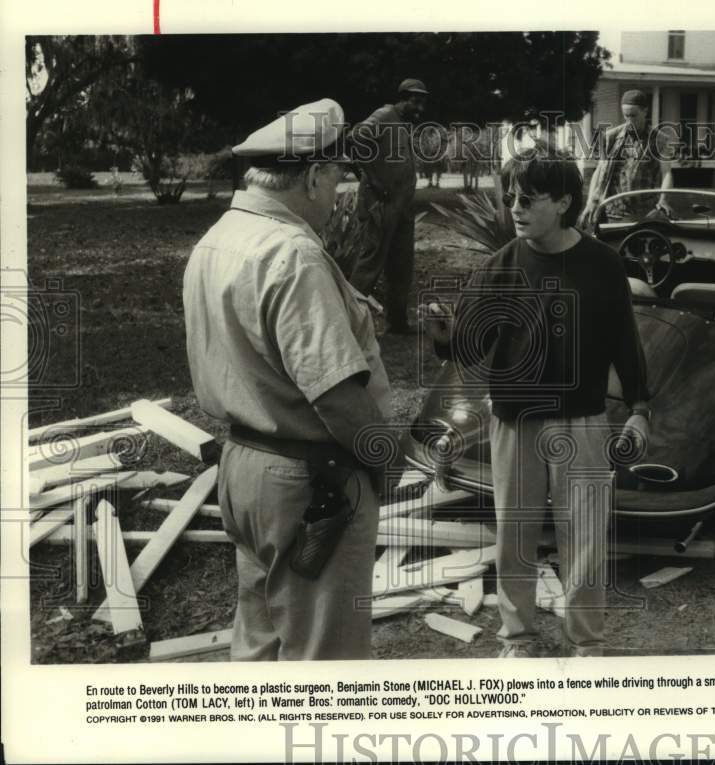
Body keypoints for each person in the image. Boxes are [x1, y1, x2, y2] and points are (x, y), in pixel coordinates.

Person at [420, 144, 650, 657]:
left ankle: (586, 643)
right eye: (511, 198)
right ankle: (518, 637)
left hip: (583, 420)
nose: (516, 208)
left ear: (565, 202)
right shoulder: (498, 268)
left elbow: (625, 344)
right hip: (514, 423)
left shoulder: (603, 265)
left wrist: (639, 407)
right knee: (515, 535)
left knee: (585, 537)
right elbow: (470, 350)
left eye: (529, 198)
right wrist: (442, 334)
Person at [183, 98, 393, 661]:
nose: (337, 196)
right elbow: (337, 398)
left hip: (245, 466)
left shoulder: (220, 236)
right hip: (311, 478)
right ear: (314, 175)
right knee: (325, 659)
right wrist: (386, 460)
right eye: (336, 179)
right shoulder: (295, 253)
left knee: (260, 639)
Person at [348, 78, 429, 334]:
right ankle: (347, 325)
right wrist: (371, 179)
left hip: (402, 206)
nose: (419, 107)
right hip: (379, 204)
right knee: (369, 264)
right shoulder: (384, 115)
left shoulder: (404, 124)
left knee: (401, 264)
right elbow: (353, 141)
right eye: (415, 101)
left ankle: (397, 322)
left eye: (422, 102)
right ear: (403, 98)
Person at [579, 89, 675, 234]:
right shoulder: (610, 138)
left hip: (645, 213)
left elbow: (666, 172)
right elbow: (599, 171)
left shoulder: (659, 139)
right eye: (626, 116)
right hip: (614, 213)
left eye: (634, 116)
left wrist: (663, 200)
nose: (630, 120)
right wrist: (590, 202)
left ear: (645, 111)